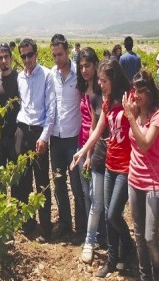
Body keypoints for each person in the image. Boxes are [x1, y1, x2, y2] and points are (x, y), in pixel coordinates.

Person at [71, 59, 135, 278]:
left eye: (104, 80)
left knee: (114, 213)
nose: (100, 84)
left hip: (126, 167)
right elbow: (97, 131)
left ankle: (129, 247)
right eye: (99, 79)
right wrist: (82, 152)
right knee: (108, 215)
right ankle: (113, 259)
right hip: (110, 165)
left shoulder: (129, 99)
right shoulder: (106, 102)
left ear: (114, 79)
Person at [122, 70, 159, 281]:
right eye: (135, 90)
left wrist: (131, 117)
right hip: (134, 180)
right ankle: (144, 275)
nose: (137, 95)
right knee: (139, 235)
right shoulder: (136, 112)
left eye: (142, 91)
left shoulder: (158, 116)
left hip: (153, 184)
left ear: (150, 93)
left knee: (150, 237)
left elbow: (145, 143)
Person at [14, 38, 54, 243]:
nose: (27, 59)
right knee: (23, 181)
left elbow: (51, 111)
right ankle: (28, 224)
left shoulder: (47, 75)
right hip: (22, 130)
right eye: (23, 56)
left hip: (38, 131)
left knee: (42, 182)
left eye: (30, 54)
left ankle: (46, 229)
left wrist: (44, 136)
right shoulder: (20, 77)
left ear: (36, 54)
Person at [49, 34, 86, 240]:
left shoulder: (78, 75)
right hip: (56, 138)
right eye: (54, 55)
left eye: (60, 54)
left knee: (77, 185)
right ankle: (64, 222)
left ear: (67, 51)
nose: (57, 59)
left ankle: (81, 228)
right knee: (59, 183)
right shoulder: (51, 75)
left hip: (74, 139)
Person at [75, 47, 106, 264]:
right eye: (82, 66)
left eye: (88, 66)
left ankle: (98, 236)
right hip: (81, 144)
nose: (85, 70)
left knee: (97, 196)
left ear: (95, 66)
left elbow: (97, 126)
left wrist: (88, 154)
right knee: (87, 193)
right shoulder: (81, 88)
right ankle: (92, 233)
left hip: (93, 149)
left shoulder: (99, 92)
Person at [0, 42, 19, 170]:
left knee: (17, 178)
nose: (4, 61)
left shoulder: (21, 79)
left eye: (6, 57)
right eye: (0, 58)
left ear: (11, 57)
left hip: (16, 137)